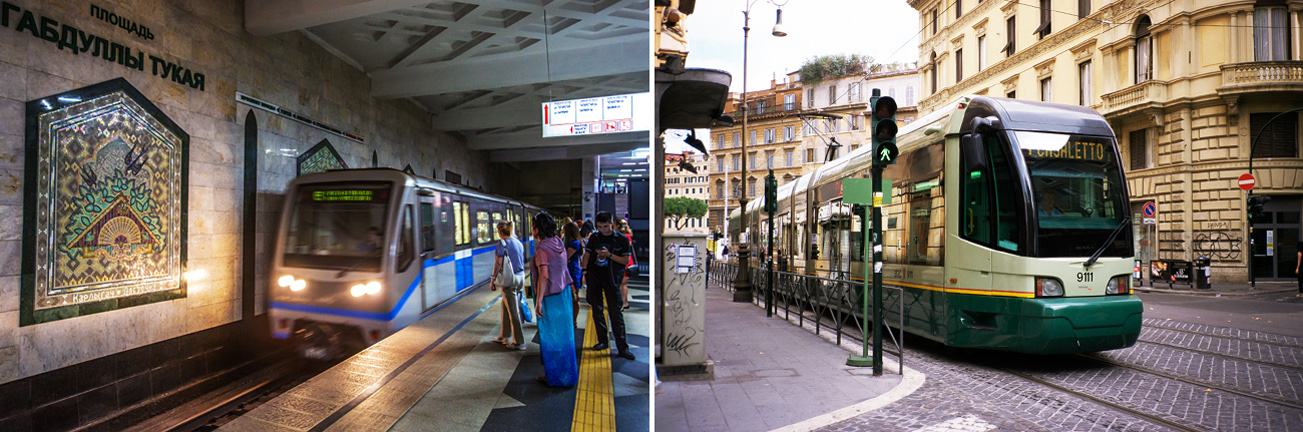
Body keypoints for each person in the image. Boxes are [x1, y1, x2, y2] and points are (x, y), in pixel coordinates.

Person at [531, 213, 578, 386]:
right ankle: (567, 375)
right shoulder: (558, 241)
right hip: (564, 293)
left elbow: (544, 276)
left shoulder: (542, 248)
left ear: (537, 229)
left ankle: (555, 377)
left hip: (550, 297)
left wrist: (538, 301)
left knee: (551, 338)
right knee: (565, 336)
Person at [582, 211, 636, 360]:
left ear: (611, 224)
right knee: (597, 311)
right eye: (599, 227)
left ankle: (622, 347)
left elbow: (625, 261)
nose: (602, 230)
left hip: (612, 279)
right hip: (595, 277)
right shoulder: (595, 238)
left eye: (605, 226)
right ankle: (602, 341)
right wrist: (585, 271)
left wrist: (609, 255)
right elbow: (587, 254)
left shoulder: (622, 240)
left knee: (616, 313)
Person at [490, 221, 527, 350]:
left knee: (513, 311)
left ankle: (519, 342)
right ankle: (504, 335)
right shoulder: (518, 242)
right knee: (505, 305)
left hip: (509, 279)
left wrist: (493, 278)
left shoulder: (502, 243)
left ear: (499, 232)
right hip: (520, 277)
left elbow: (498, 263)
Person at [564, 221, 585, 326]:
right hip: (570, 271)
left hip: (572, 272)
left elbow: (565, 257)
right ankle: (572, 320)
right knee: (571, 297)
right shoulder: (574, 242)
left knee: (574, 298)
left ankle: (574, 320)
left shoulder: (574, 243)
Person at [617, 219, 635, 311]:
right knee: (624, 284)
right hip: (628, 261)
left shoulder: (623, 237)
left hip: (624, 261)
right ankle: (626, 302)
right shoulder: (628, 236)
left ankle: (623, 303)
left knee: (622, 284)